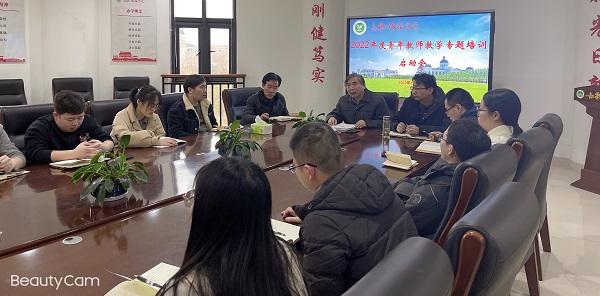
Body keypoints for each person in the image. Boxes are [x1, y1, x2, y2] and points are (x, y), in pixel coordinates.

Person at [281, 122, 417, 296]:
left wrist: (316, 220)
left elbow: (322, 291)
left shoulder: (320, 226)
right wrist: (308, 213)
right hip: (411, 279)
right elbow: (349, 213)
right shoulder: (370, 175)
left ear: (309, 171)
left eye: (294, 168)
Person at [158, 157, 307, 296]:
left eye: (195, 197)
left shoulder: (185, 288)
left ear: (208, 211)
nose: (191, 206)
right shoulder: (284, 254)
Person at [395, 119, 491, 237]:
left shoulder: (438, 189)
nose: (440, 141)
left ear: (450, 150)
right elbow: (419, 180)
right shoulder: (459, 170)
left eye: (442, 138)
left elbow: (403, 218)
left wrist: (398, 190)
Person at [24, 90, 114, 164]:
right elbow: (34, 154)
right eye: (70, 119)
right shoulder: (40, 127)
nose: (76, 123)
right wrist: (74, 154)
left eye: (80, 117)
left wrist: (103, 148)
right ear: (56, 115)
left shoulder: (88, 121)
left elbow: (108, 140)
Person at [112, 85, 179, 147]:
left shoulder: (154, 116)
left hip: (150, 154)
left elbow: (161, 136)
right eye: (151, 106)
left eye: (156, 106)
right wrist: (153, 140)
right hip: (126, 154)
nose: (154, 109)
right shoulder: (121, 116)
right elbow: (124, 139)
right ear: (139, 102)